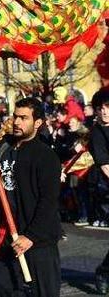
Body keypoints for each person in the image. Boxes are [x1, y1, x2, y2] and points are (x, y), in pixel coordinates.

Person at [0, 97, 61, 296]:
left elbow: (49, 202)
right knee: (5, 290)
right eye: (15, 117)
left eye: (24, 118)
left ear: (37, 123)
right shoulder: (4, 147)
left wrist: (31, 236)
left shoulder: (45, 156)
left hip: (38, 241)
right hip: (9, 236)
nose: (17, 122)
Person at [89, 88, 109, 293]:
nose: (104, 112)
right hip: (106, 189)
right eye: (100, 108)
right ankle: (104, 271)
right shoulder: (97, 132)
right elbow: (104, 164)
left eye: (107, 107)